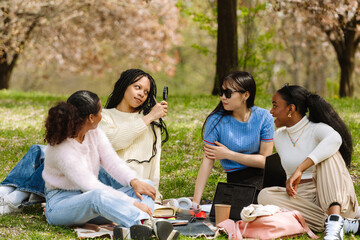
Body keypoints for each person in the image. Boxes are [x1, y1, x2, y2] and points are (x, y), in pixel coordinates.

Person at [0, 68, 168, 214]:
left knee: (57, 154)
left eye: (146, 92)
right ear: (124, 86)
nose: (141, 94)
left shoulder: (151, 122)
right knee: (39, 150)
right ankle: (4, 192)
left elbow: (155, 162)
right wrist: (149, 117)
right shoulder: (105, 116)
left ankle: (16, 198)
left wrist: (155, 193)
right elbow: (115, 140)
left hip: (122, 180)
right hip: (99, 174)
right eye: (137, 87)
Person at [42, 90, 178, 240]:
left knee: (145, 186)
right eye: (100, 112)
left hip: (90, 202)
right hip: (62, 205)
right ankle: (145, 223)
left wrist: (134, 182)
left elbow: (112, 162)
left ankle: (136, 229)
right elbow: (92, 186)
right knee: (98, 196)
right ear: (91, 117)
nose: (103, 115)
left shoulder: (93, 132)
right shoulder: (63, 150)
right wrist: (132, 203)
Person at [258, 84, 359, 240]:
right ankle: (340, 223)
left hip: (333, 196)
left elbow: (335, 139)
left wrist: (300, 168)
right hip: (303, 201)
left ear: (291, 109)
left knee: (327, 155)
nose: (271, 111)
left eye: (275, 106)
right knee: (264, 196)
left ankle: (335, 221)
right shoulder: (279, 136)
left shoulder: (317, 129)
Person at [192, 71, 274, 207]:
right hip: (237, 181)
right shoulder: (215, 121)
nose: (223, 97)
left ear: (245, 95)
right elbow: (207, 163)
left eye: (228, 93)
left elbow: (265, 161)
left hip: (264, 178)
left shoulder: (264, 117)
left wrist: (228, 154)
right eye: (221, 92)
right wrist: (195, 201)